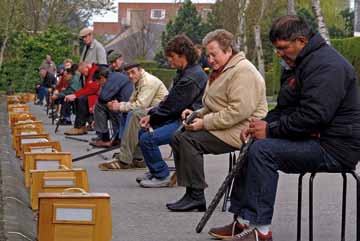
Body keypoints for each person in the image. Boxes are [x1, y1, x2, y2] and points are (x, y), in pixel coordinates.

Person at [209, 15, 360, 241]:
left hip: (335, 148)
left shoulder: (328, 66)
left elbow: (313, 117)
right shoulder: (299, 63)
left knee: (263, 150)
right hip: (316, 139)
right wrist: (260, 125)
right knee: (253, 144)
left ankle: (261, 231)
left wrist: (270, 131)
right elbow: (284, 109)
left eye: (282, 48)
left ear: (301, 41)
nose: (279, 53)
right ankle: (242, 222)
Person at [167, 29, 268, 212]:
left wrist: (204, 122)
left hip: (244, 129)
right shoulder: (221, 69)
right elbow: (214, 103)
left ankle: (197, 196)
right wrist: (197, 113)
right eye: (208, 55)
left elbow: (238, 111)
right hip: (228, 124)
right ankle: (190, 191)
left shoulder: (243, 71)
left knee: (188, 140)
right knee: (177, 136)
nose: (210, 59)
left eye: (214, 54)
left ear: (228, 50)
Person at [136, 34, 208, 188]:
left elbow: (172, 106)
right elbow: (170, 102)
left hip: (186, 121)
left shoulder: (191, 77)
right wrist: (151, 115)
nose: (169, 60)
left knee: (147, 139)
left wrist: (152, 116)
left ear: (183, 55)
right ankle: (155, 169)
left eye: (172, 56)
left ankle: (162, 175)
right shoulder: (186, 72)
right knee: (143, 132)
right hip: (178, 116)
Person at [98, 62, 168, 170]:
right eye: (128, 73)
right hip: (151, 112)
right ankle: (137, 158)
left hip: (161, 115)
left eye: (133, 72)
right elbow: (132, 101)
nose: (130, 76)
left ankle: (124, 159)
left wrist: (119, 106)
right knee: (129, 113)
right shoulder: (138, 80)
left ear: (140, 70)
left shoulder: (148, 82)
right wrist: (118, 105)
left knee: (135, 114)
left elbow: (140, 105)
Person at [90, 67, 133, 147]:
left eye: (98, 82)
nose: (98, 84)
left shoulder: (111, 79)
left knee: (100, 105)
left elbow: (103, 98)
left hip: (127, 105)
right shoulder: (114, 76)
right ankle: (116, 138)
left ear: (102, 78)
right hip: (126, 103)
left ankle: (105, 138)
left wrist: (96, 119)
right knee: (109, 105)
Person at [64, 62, 100, 135]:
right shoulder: (89, 73)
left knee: (81, 99)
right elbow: (86, 88)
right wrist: (74, 95)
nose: (83, 74)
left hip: (98, 95)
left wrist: (75, 95)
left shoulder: (95, 71)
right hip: (95, 94)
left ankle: (79, 126)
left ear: (86, 67)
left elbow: (93, 88)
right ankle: (81, 126)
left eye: (82, 72)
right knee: (79, 98)